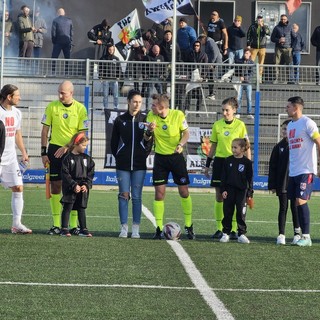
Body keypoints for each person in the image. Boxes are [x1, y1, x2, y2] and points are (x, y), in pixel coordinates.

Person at [41, 81, 89, 235]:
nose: (60, 95)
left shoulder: (81, 109)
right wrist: (43, 152)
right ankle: (56, 225)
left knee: (74, 187)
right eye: (59, 92)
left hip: (73, 150)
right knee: (55, 186)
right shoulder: (52, 107)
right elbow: (44, 130)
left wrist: (68, 146)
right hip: (54, 150)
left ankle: (73, 226)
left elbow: (82, 135)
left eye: (63, 93)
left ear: (72, 93)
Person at [146, 94, 195, 240]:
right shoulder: (150, 116)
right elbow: (147, 137)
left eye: (154, 105)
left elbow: (186, 133)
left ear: (162, 108)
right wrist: (149, 131)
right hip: (160, 158)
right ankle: (159, 228)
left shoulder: (178, 115)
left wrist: (180, 144)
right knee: (159, 193)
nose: (151, 107)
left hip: (176, 157)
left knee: (184, 191)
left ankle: (189, 225)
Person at [204, 97, 251, 240]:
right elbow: (213, 146)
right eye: (223, 110)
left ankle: (235, 230)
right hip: (220, 163)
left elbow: (247, 145)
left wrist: (248, 163)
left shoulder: (241, 125)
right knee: (219, 196)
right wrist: (207, 164)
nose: (224, 113)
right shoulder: (217, 125)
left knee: (237, 197)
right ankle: (220, 228)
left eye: (227, 110)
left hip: (237, 164)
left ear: (234, 110)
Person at [111, 90, 152, 238]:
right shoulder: (120, 120)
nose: (137, 104)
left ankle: (135, 229)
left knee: (136, 197)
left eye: (140, 102)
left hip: (139, 165)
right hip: (123, 166)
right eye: (134, 101)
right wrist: (120, 157)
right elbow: (114, 144)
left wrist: (141, 155)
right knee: (123, 195)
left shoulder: (146, 119)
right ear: (128, 102)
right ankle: (123, 228)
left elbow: (148, 144)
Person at [286, 96, 320, 247]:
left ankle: (306, 237)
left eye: (288, 107)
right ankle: (300, 234)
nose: (286, 109)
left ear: (296, 108)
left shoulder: (307, 123)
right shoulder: (290, 126)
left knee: (301, 200)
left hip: (306, 169)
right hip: (293, 171)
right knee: (296, 202)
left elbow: (319, 143)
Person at [0, 84, 32, 234]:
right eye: (17, 95)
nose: (19, 97)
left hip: (11, 157)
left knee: (18, 187)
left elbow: (17, 134)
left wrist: (23, 152)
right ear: (9, 97)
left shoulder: (17, 113)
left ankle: (16, 224)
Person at [268, 119, 300, 245]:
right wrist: (272, 184)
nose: (284, 131)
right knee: (283, 208)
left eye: (286, 129)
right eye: (283, 129)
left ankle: (297, 234)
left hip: (295, 181)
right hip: (282, 183)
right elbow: (273, 167)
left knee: (295, 208)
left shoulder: (296, 145)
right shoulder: (278, 147)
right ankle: (281, 234)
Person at [60, 132, 95, 237]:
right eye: (83, 145)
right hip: (70, 187)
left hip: (82, 187)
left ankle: (83, 229)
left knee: (81, 207)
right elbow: (65, 174)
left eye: (86, 145)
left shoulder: (87, 159)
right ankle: (64, 229)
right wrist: (74, 184)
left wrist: (86, 185)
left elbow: (90, 174)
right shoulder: (67, 158)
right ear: (76, 143)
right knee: (68, 207)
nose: (85, 147)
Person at [219, 138, 253, 244]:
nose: (233, 149)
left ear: (242, 149)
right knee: (228, 212)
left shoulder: (247, 162)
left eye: (235, 147)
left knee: (241, 213)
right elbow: (223, 177)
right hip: (229, 191)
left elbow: (250, 179)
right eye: (232, 147)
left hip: (242, 192)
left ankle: (241, 234)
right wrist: (223, 190)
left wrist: (250, 193)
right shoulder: (228, 160)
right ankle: (226, 233)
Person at [184, 40, 208, 112]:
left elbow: (205, 67)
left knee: (199, 95)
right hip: (191, 76)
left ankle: (198, 110)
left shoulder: (204, 55)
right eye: (195, 45)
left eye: (198, 46)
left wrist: (203, 76)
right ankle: (187, 109)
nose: (196, 47)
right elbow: (186, 65)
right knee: (189, 93)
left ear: (200, 46)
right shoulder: (190, 54)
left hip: (199, 77)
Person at [198, 33, 222, 101]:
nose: (200, 42)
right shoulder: (206, 43)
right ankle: (210, 93)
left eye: (200, 40)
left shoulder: (210, 41)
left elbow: (215, 53)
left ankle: (213, 94)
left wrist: (212, 64)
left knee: (214, 78)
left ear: (203, 38)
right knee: (210, 78)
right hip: (211, 63)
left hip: (215, 63)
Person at [246, 15, 270, 82]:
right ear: (257, 20)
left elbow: (268, 33)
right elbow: (248, 35)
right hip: (253, 47)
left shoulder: (265, 26)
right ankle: (249, 77)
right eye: (258, 20)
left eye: (261, 20)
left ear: (263, 20)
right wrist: (248, 44)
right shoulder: (252, 26)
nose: (259, 21)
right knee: (251, 62)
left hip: (262, 47)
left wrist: (263, 26)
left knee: (261, 63)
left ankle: (259, 78)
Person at [271, 14, 292, 84]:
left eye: (284, 19)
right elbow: (272, 38)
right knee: (276, 63)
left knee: (289, 63)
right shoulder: (277, 28)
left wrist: (292, 46)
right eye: (282, 19)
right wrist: (278, 40)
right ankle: (276, 78)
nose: (283, 20)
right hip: (278, 48)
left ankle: (289, 79)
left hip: (287, 48)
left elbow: (293, 37)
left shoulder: (290, 27)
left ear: (287, 19)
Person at [99, 44, 121, 110]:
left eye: (112, 50)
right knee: (105, 95)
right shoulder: (103, 58)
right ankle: (105, 107)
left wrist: (118, 76)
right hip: (105, 79)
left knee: (116, 95)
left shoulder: (116, 59)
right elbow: (100, 68)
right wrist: (100, 77)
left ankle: (116, 107)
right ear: (107, 50)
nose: (111, 51)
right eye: (109, 49)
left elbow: (119, 69)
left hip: (114, 79)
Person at [51, 8, 73, 74]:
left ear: (58, 13)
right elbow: (71, 32)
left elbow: (53, 33)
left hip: (58, 42)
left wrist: (54, 41)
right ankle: (66, 73)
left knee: (54, 57)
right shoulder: (69, 21)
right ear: (64, 13)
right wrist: (71, 41)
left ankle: (53, 72)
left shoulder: (55, 20)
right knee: (67, 58)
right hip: (67, 41)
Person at [235, 48, 254, 119]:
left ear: (250, 54)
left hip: (248, 82)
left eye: (247, 53)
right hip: (240, 82)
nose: (245, 55)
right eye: (245, 53)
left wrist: (245, 78)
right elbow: (236, 70)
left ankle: (249, 113)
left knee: (249, 98)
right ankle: (238, 112)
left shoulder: (252, 63)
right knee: (238, 98)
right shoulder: (239, 61)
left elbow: (252, 73)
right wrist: (240, 76)